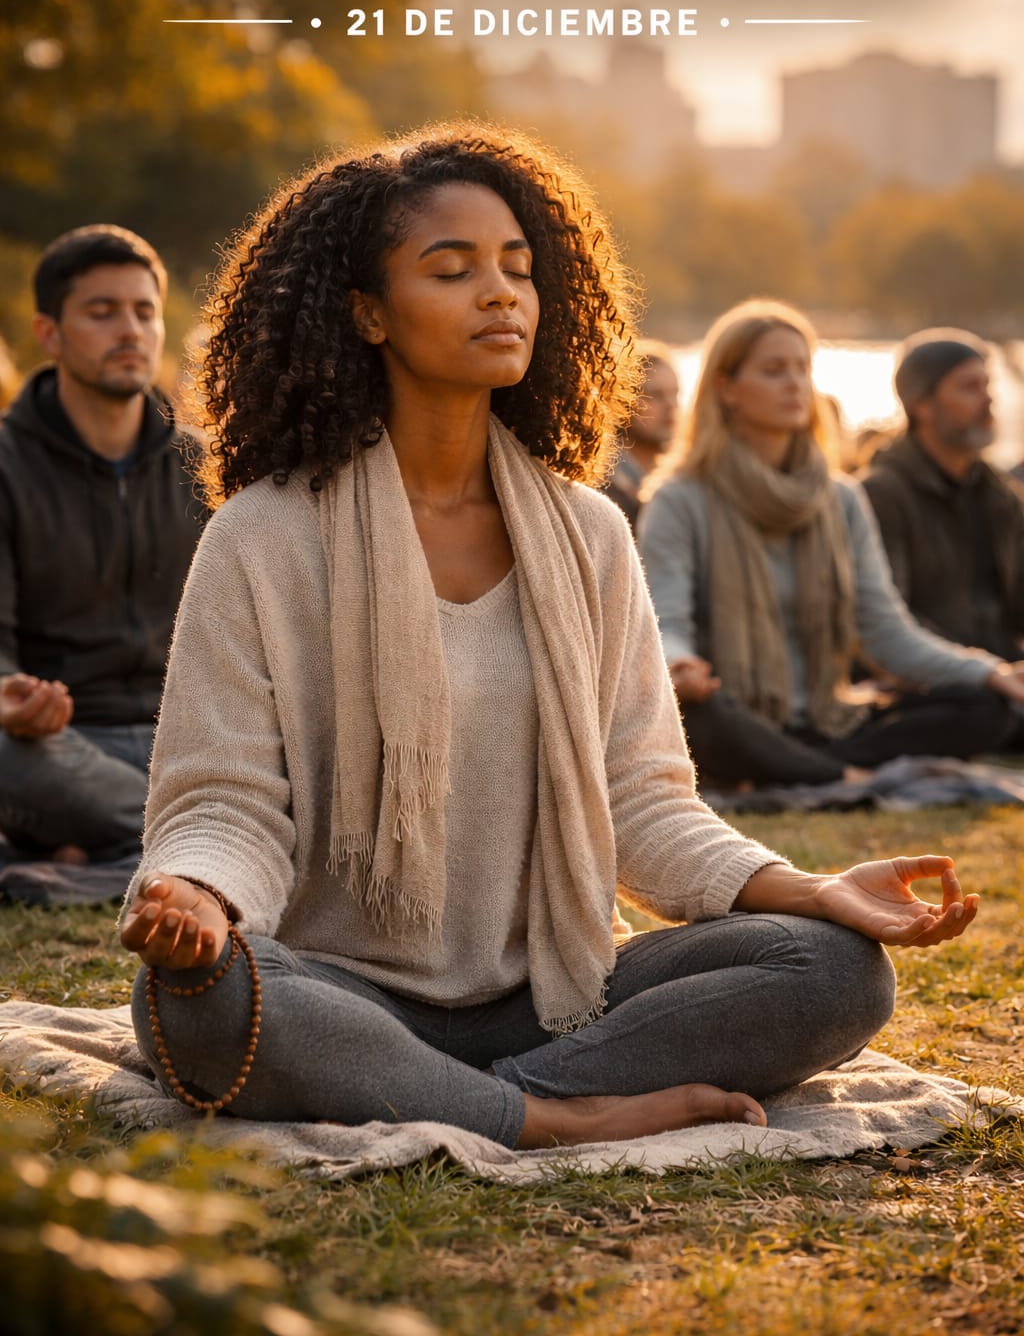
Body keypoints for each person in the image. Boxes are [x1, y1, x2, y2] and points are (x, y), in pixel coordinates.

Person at [120, 131, 976, 1151]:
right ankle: (551, 1112)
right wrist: (199, 901)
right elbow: (227, 802)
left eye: (518, 269)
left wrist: (812, 888)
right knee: (194, 999)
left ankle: (470, 1093)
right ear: (365, 312)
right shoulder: (261, 536)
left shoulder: (590, 534)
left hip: (557, 995)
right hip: (339, 985)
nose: (500, 294)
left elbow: (645, 804)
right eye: (453, 269)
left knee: (835, 970)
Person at [638, 300, 1024, 790]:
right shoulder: (680, 499)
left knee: (985, 706)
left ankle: (813, 767)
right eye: (774, 370)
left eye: (803, 368)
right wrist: (680, 666)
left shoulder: (841, 497)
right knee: (694, 717)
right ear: (726, 389)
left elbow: (886, 631)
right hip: (735, 715)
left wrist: (990, 672)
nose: (796, 384)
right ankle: (835, 773)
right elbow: (665, 624)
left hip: (831, 718)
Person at [0, 225, 207, 863]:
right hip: (60, 746)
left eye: (144, 312)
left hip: (188, 744)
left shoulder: (205, 467)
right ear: (49, 334)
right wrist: (13, 700)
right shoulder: (6, 466)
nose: (130, 330)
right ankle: (194, 844)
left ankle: (103, 847)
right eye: (102, 311)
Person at [861, 330, 1024, 670]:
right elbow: (888, 622)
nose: (988, 399)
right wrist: (980, 672)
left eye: (987, 384)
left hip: (1002, 673)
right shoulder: (882, 494)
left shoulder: (999, 496)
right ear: (922, 405)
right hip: (933, 682)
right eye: (969, 387)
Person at [601, 339, 679, 532]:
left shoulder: (683, 476)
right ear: (624, 403)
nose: (671, 406)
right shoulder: (602, 483)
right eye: (656, 395)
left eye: (675, 394)